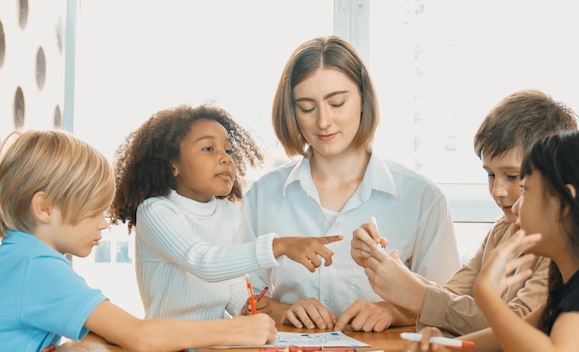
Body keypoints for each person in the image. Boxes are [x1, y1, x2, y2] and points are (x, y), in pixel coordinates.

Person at [0, 129, 277, 352]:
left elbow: (107, 338)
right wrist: (236, 330)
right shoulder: (34, 268)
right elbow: (140, 335)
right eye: (93, 211)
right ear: (44, 207)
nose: (104, 222)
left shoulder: (15, 259)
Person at [239, 35, 461, 332]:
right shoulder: (262, 196)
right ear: (292, 112)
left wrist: (393, 312)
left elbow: (450, 305)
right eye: (307, 108)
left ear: (363, 101)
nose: (323, 122)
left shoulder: (421, 197)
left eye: (337, 103)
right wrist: (285, 311)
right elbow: (243, 300)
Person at [351, 89, 578, 336]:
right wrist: (396, 281)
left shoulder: (558, 247)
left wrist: (413, 293)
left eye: (514, 178)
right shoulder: (502, 229)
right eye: (490, 174)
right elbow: (454, 295)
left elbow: (518, 326)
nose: (498, 191)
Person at [109, 104, 341, 320]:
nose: (225, 158)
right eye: (209, 148)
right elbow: (204, 262)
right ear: (172, 164)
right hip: (169, 343)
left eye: (228, 150)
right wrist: (279, 246)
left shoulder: (228, 213)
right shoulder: (156, 210)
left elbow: (235, 291)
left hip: (217, 340)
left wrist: (273, 309)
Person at [403, 130, 579, 352]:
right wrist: (444, 346)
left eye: (525, 190)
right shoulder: (563, 286)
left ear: (560, 204)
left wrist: (487, 295)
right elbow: (511, 337)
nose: (516, 207)